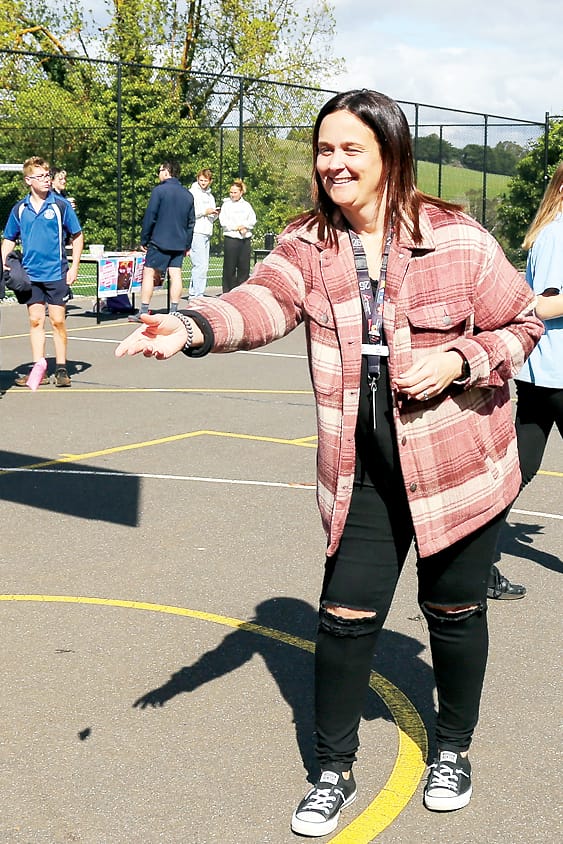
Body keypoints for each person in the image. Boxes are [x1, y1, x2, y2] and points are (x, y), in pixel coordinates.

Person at [115, 90, 542, 835]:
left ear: (390, 156)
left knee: (452, 612)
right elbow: (261, 302)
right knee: (344, 618)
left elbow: (522, 321)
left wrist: (457, 357)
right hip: (365, 471)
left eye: (351, 149)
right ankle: (332, 770)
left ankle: (452, 749)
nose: (333, 163)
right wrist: (189, 326)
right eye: (324, 149)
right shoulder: (307, 245)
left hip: (457, 469)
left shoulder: (459, 240)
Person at [1, 156, 83, 387]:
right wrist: (3, 260)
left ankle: (61, 368)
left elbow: (77, 237)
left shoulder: (60, 206)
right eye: (41, 176)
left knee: (57, 321)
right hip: (31, 276)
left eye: (47, 175)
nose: (46, 180)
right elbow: (9, 239)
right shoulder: (20, 209)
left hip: (56, 273)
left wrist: (74, 267)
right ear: (29, 180)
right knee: (36, 321)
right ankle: (39, 368)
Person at [514, 162, 563, 487]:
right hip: (553, 372)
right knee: (520, 466)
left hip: (544, 373)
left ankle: (464, 530)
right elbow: (543, 306)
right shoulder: (557, 235)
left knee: (520, 467)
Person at [128, 160, 195, 322]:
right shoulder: (188, 194)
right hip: (179, 242)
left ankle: (143, 310)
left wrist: (145, 239)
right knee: (175, 273)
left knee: (149, 273)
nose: (158, 174)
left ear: (166, 171)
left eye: (160, 170)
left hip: (159, 241)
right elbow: (191, 223)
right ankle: (174, 310)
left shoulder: (159, 191)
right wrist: (187, 244)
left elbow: (150, 216)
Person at [218, 178, 256, 292]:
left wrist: (244, 226)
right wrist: (237, 227)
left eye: (235, 192)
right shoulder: (226, 205)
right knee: (229, 267)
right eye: (231, 192)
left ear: (241, 192)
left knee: (244, 267)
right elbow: (224, 222)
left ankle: (242, 291)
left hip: (244, 239)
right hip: (231, 239)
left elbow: (252, 220)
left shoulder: (247, 206)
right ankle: (228, 291)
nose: (233, 194)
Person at [188, 168, 219, 300]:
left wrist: (215, 214)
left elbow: (211, 216)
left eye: (205, 181)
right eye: (201, 180)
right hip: (197, 231)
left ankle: (195, 291)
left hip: (207, 231)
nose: (203, 183)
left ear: (210, 181)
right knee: (200, 264)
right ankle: (197, 294)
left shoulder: (210, 196)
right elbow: (191, 213)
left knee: (203, 264)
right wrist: (204, 212)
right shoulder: (192, 193)